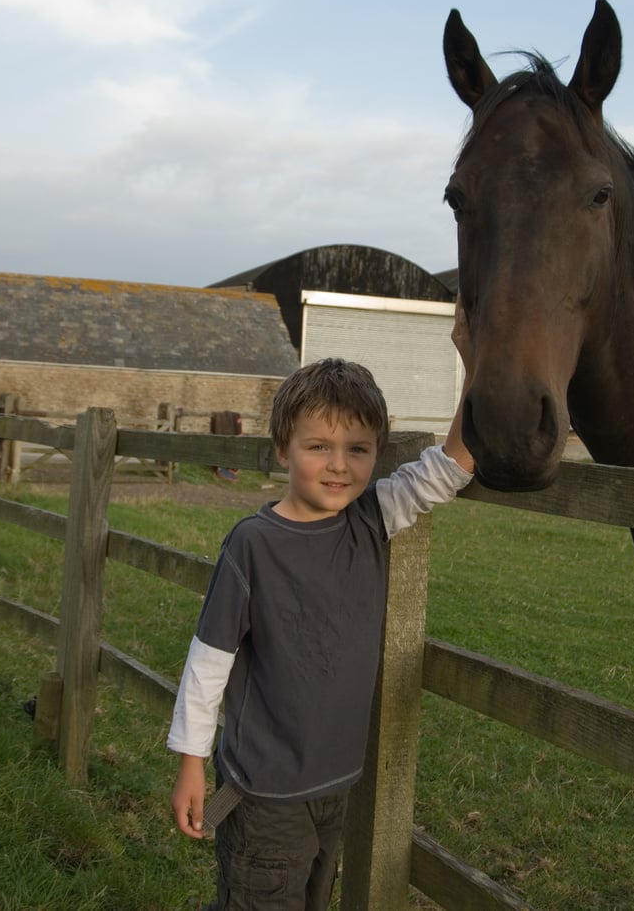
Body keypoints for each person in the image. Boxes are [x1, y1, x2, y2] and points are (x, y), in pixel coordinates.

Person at [168, 306, 475, 910]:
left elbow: (452, 466)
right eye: (319, 446)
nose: (339, 464)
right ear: (283, 449)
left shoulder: (370, 520)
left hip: (336, 785)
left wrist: (470, 357)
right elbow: (208, 664)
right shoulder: (252, 545)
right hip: (264, 793)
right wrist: (190, 764)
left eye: (358, 448)